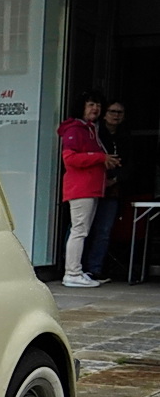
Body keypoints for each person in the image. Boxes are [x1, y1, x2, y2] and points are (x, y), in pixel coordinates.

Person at [59, 91, 118, 288]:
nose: (95, 109)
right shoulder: (75, 130)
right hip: (81, 188)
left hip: (90, 188)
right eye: (91, 104)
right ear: (81, 107)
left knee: (82, 230)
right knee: (79, 231)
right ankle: (72, 272)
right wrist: (100, 158)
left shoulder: (89, 129)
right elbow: (70, 159)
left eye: (97, 105)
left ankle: (75, 271)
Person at [83, 100, 127, 281]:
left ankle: (94, 269)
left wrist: (115, 179)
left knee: (103, 231)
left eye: (120, 112)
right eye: (112, 111)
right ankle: (74, 267)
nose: (116, 115)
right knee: (81, 228)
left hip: (112, 190)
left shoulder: (125, 136)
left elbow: (131, 164)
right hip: (91, 186)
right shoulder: (94, 133)